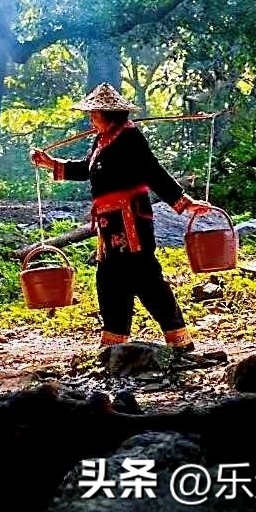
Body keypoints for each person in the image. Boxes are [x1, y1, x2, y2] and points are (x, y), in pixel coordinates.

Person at [30, 83, 210, 353]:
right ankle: (114, 340)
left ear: (108, 114)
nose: (90, 118)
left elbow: (152, 171)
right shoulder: (102, 139)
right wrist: (50, 163)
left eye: (94, 113)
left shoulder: (129, 137)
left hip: (130, 220)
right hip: (108, 221)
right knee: (110, 278)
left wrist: (182, 202)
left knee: (145, 276)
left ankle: (178, 338)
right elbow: (87, 169)